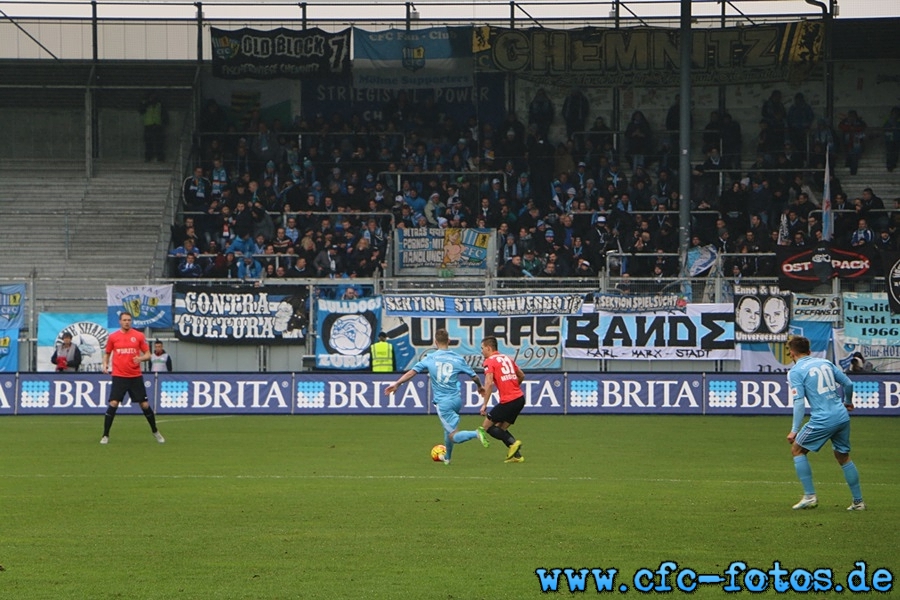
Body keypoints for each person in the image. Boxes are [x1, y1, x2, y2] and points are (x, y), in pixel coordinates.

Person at [385, 329, 488, 465]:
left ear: (435, 342)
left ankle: (476, 433)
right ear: (449, 341)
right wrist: (479, 387)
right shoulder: (457, 358)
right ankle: (448, 458)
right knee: (448, 430)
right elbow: (474, 376)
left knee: (453, 435)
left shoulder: (430, 358)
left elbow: (412, 372)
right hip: (456, 400)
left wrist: (398, 383)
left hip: (443, 403)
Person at [786, 336, 864, 511]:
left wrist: (794, 430)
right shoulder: (825, 363)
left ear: (791, 353)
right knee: (843, 457)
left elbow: (798, 402)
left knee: (797, 449)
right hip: (842, 416)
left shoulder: (796, 371)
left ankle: (809, 496)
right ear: (809, 351)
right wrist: (848, 401)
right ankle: (858, 502)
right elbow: (848, 383)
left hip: (823, 418)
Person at [100, 313, 164, 445]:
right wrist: (105, 364)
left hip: (135, 376)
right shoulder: (113, 337)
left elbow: (148, 354)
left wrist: (140, 358)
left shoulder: (139, 336)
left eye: (129, 320)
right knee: (113, 403)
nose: (127, 322)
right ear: (120, 322)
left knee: (144, 405)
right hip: (119, 376)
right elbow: (107, 353)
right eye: (124, 320)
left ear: (131, 321)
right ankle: (105, 435)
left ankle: (155, 431)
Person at [478, 335, 526, 463]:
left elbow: (488, 383)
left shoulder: (489, 361)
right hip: (520, 399)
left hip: (508, 401)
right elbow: (521, 375)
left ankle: (513, 443)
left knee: (487, 427)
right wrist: (513, 386)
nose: (481, 351)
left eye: (482, 348)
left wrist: (484, 405)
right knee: (500, 429)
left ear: (488, 348)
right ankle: (517, 456)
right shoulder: (507, 358)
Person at [139, 91, 167, 162]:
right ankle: (149, 157)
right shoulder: (145, 104)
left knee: (159, 143)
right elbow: (141, 110)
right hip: (149, 125)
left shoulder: (159, 104)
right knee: (149, 143)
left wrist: (164, 122)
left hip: (157, 125)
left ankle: (160, 157)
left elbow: (164, 114)